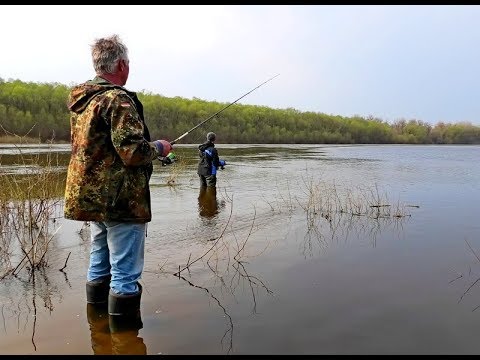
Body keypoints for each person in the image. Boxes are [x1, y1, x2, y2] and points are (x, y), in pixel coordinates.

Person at [63, 34, 172, 325]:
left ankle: (97, 328)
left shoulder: (82, 101)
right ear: (121, 64)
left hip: (90, 196)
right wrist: (159, 147)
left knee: (99, 258)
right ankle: (124, 337)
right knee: (125, 272)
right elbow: (134, 152)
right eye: (128, 63)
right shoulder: (117, 99)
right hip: (119, 199)